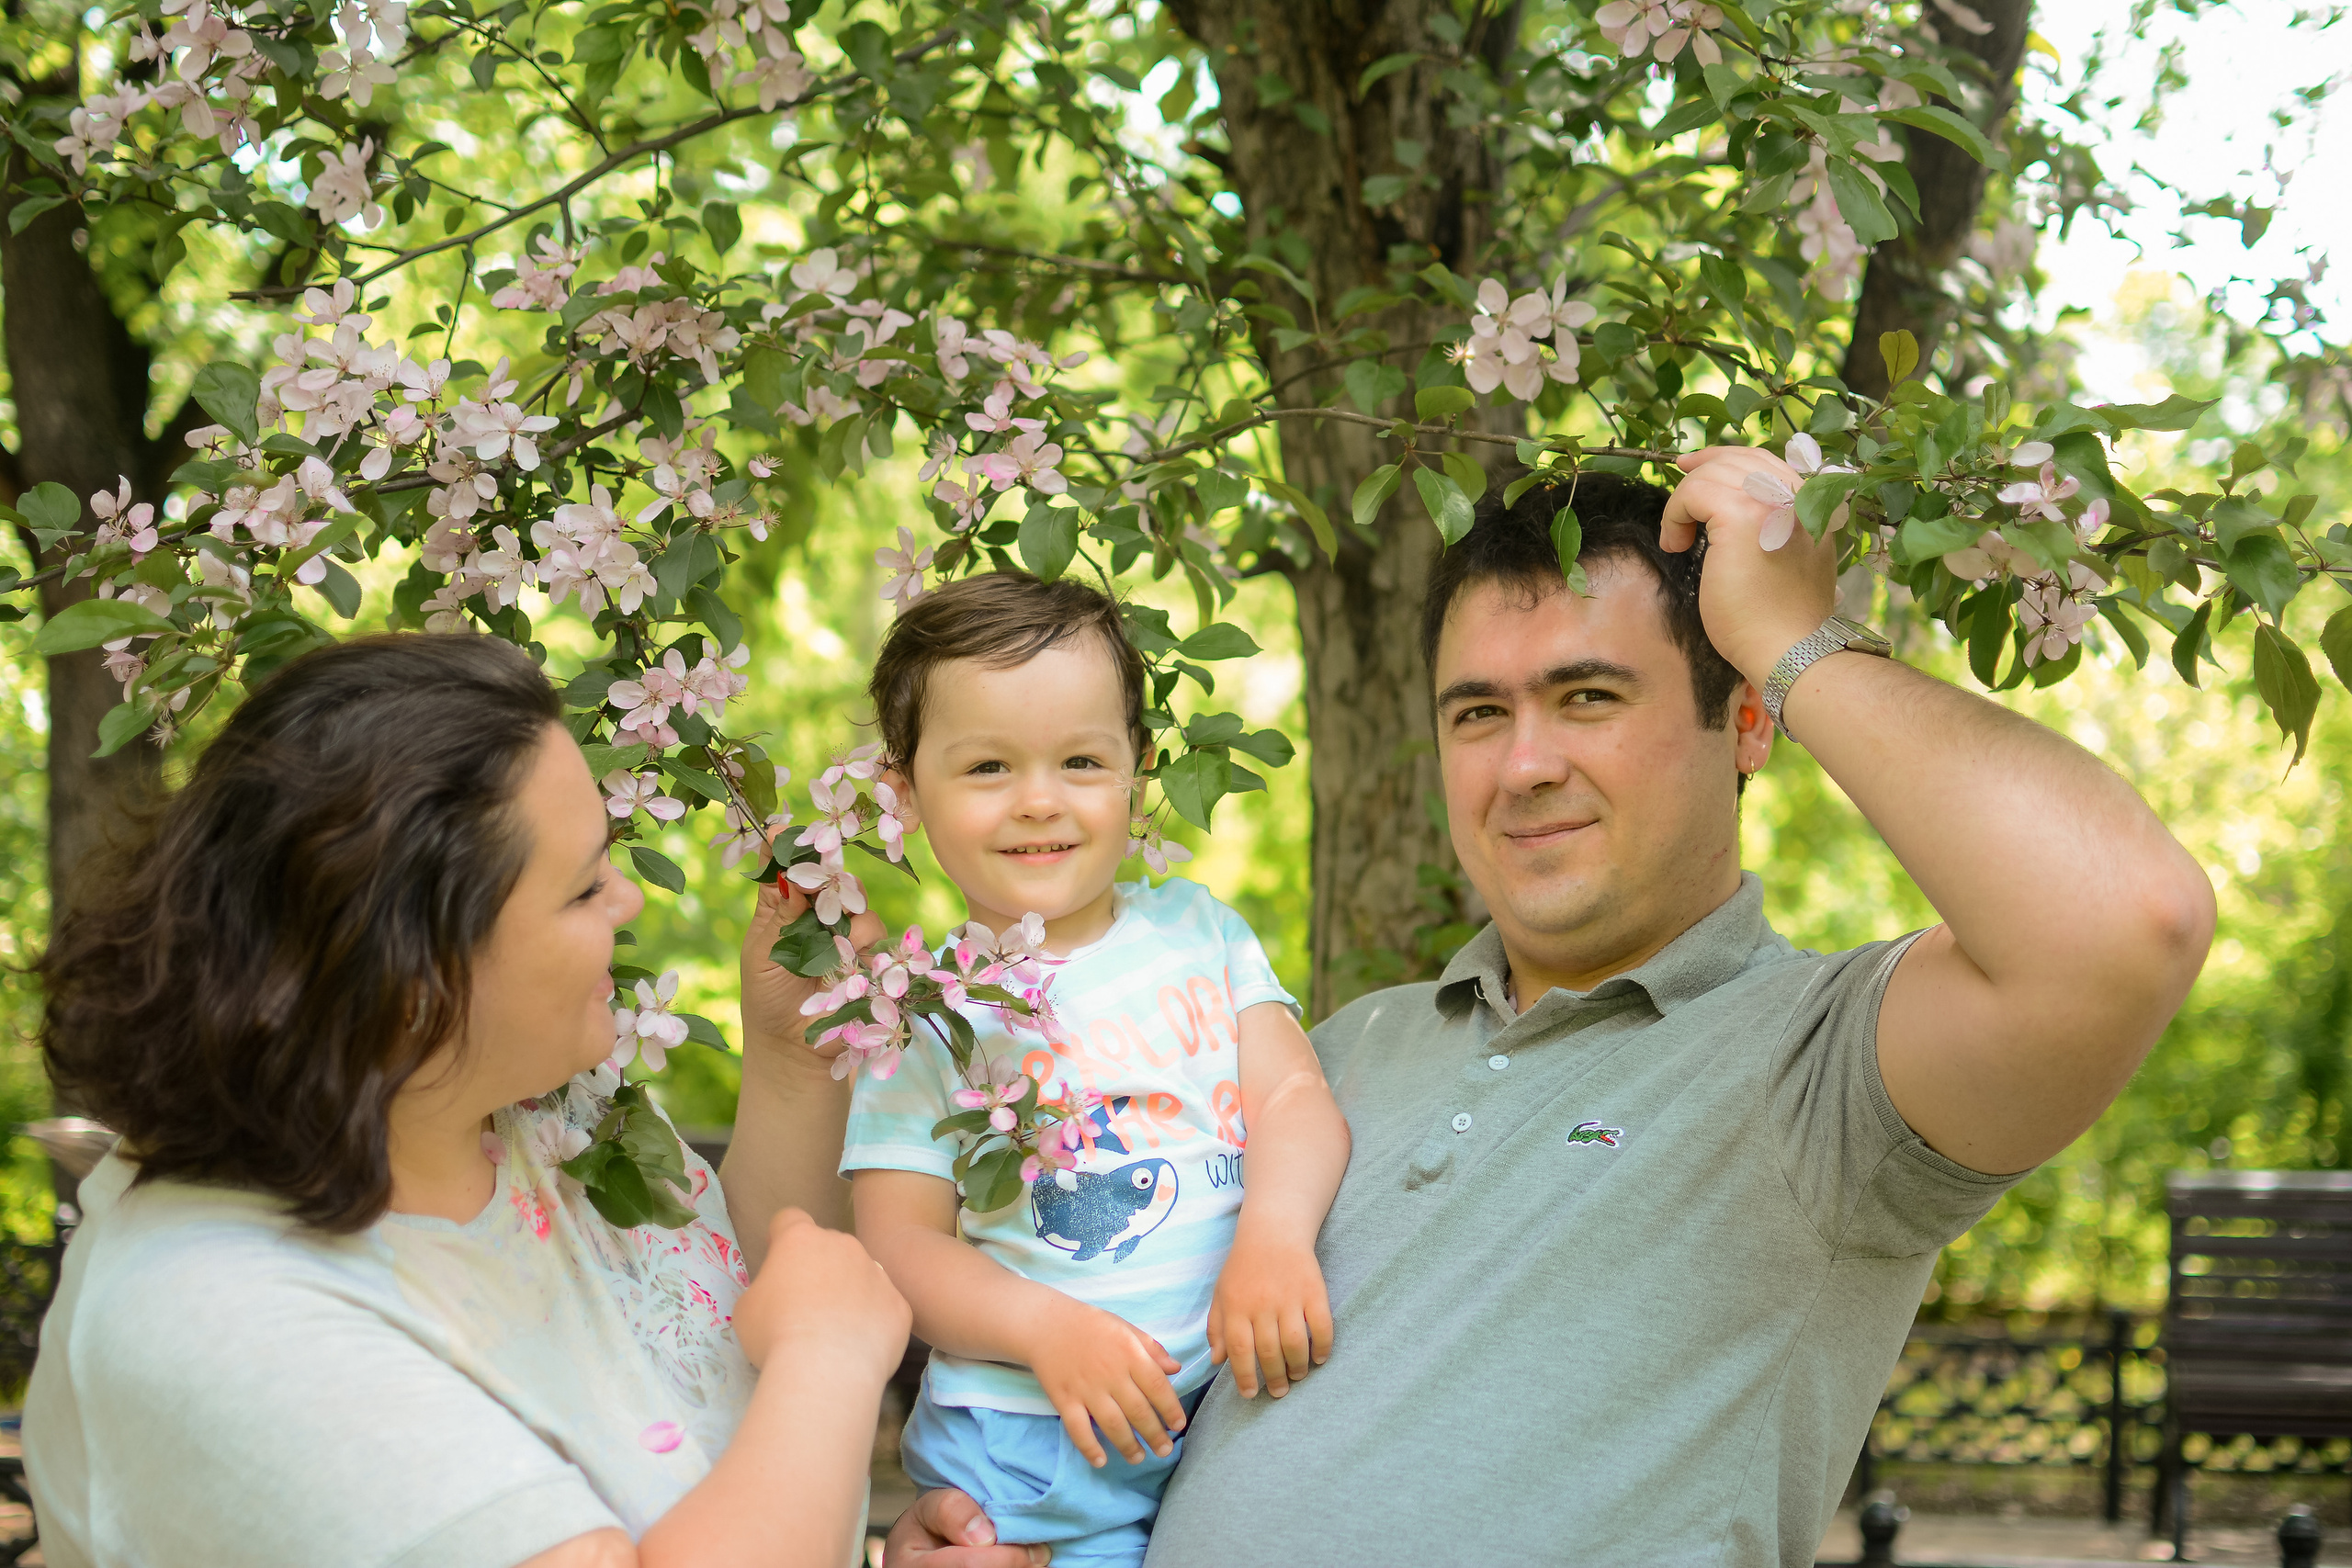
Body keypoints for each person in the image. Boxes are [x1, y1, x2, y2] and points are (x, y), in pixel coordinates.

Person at [737, 449, 2216, 1566]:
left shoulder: (1826, 1069)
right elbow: (859, 1284)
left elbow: (2122, 925)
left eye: (1588, 697)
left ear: (1746, 718)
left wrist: (1793, 632)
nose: (1523, 766)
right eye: (1477, 712)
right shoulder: (1339, 1044)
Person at [25, 633, 915, 1568]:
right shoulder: (224, 1317)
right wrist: (832, 1368)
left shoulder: (541, 1116)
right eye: (580, 890)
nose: (627, 903)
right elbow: (802, 1344)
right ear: (417, 980)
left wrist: (790, 1063)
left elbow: (725, 1307)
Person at [834, 573, 1351, 1567]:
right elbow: (897, 1247)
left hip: (1224, 1407)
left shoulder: (1200, 932)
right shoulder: (928, 1009)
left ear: (1136, 771)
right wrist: (1044, 1330)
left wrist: (1275, 1238)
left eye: (1080, 760)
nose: (1039, 801)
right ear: (903, 794)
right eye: (987, 766)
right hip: (1037, 1445)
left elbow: (1293, 1096)